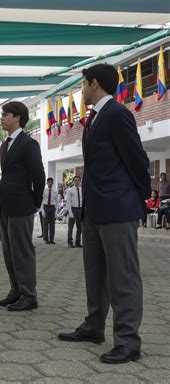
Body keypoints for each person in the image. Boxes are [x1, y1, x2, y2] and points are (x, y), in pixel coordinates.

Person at [58, 64, 151, 364]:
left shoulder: (117, 114)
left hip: (118, 208)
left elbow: (137, 160)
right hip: (95, 209)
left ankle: (127, 341)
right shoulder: (95, 118)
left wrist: (137, 198)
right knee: (95, 273)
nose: (81, 90)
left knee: (122, 276)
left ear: (94, 84)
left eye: (83, 85)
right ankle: (94, 326)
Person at [0, 101, 45, 311]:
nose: (2, 118)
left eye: (6, 114)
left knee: (22, 251)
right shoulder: (5, 144)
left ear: (17, 118)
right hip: (5, 206)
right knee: (9, 252)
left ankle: (28, 295)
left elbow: (39, 176)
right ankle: (16, 290)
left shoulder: (28, 143)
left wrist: (34, 201)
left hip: (22, 205)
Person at [66, 176, 83, 247]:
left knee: (80, 227)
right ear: (73, 181)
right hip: (73, 209)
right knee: (71, 227)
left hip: (80, 209)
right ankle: (70, 242)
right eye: (75, 180)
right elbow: (68, 202)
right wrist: (70, 212)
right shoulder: (70, 190)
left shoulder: (82, 189)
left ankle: (77, 242)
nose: (77, 182)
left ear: (80, 181)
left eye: (78, 180)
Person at [41, 177, 58, 244]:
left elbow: (56, 202)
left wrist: (56, 211)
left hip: (52, 207)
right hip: (45, 207)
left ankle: (52, 239)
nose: (50, 183)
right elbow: (41, 201)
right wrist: (42, 209)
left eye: (51, 182)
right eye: (49, 182)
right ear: (47, 183)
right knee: (45, 224)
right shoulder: (44, 191)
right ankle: (46, 239)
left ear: (53, 183)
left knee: (52, 224)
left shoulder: (55, 191)